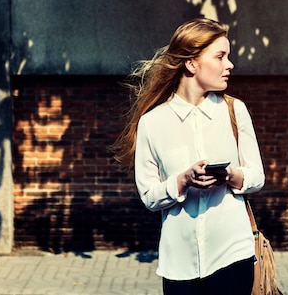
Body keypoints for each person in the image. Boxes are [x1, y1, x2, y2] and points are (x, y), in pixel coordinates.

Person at [111, 18, 265, 295]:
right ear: (191, 63)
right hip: (179, 263)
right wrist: (182, 181)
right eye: (220, 56)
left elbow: (257, 176)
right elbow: (148, 195)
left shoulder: (234, 110)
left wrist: (230, 175)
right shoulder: (152, 122)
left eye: (227, 56)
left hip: (233, 253)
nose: (229, 65)